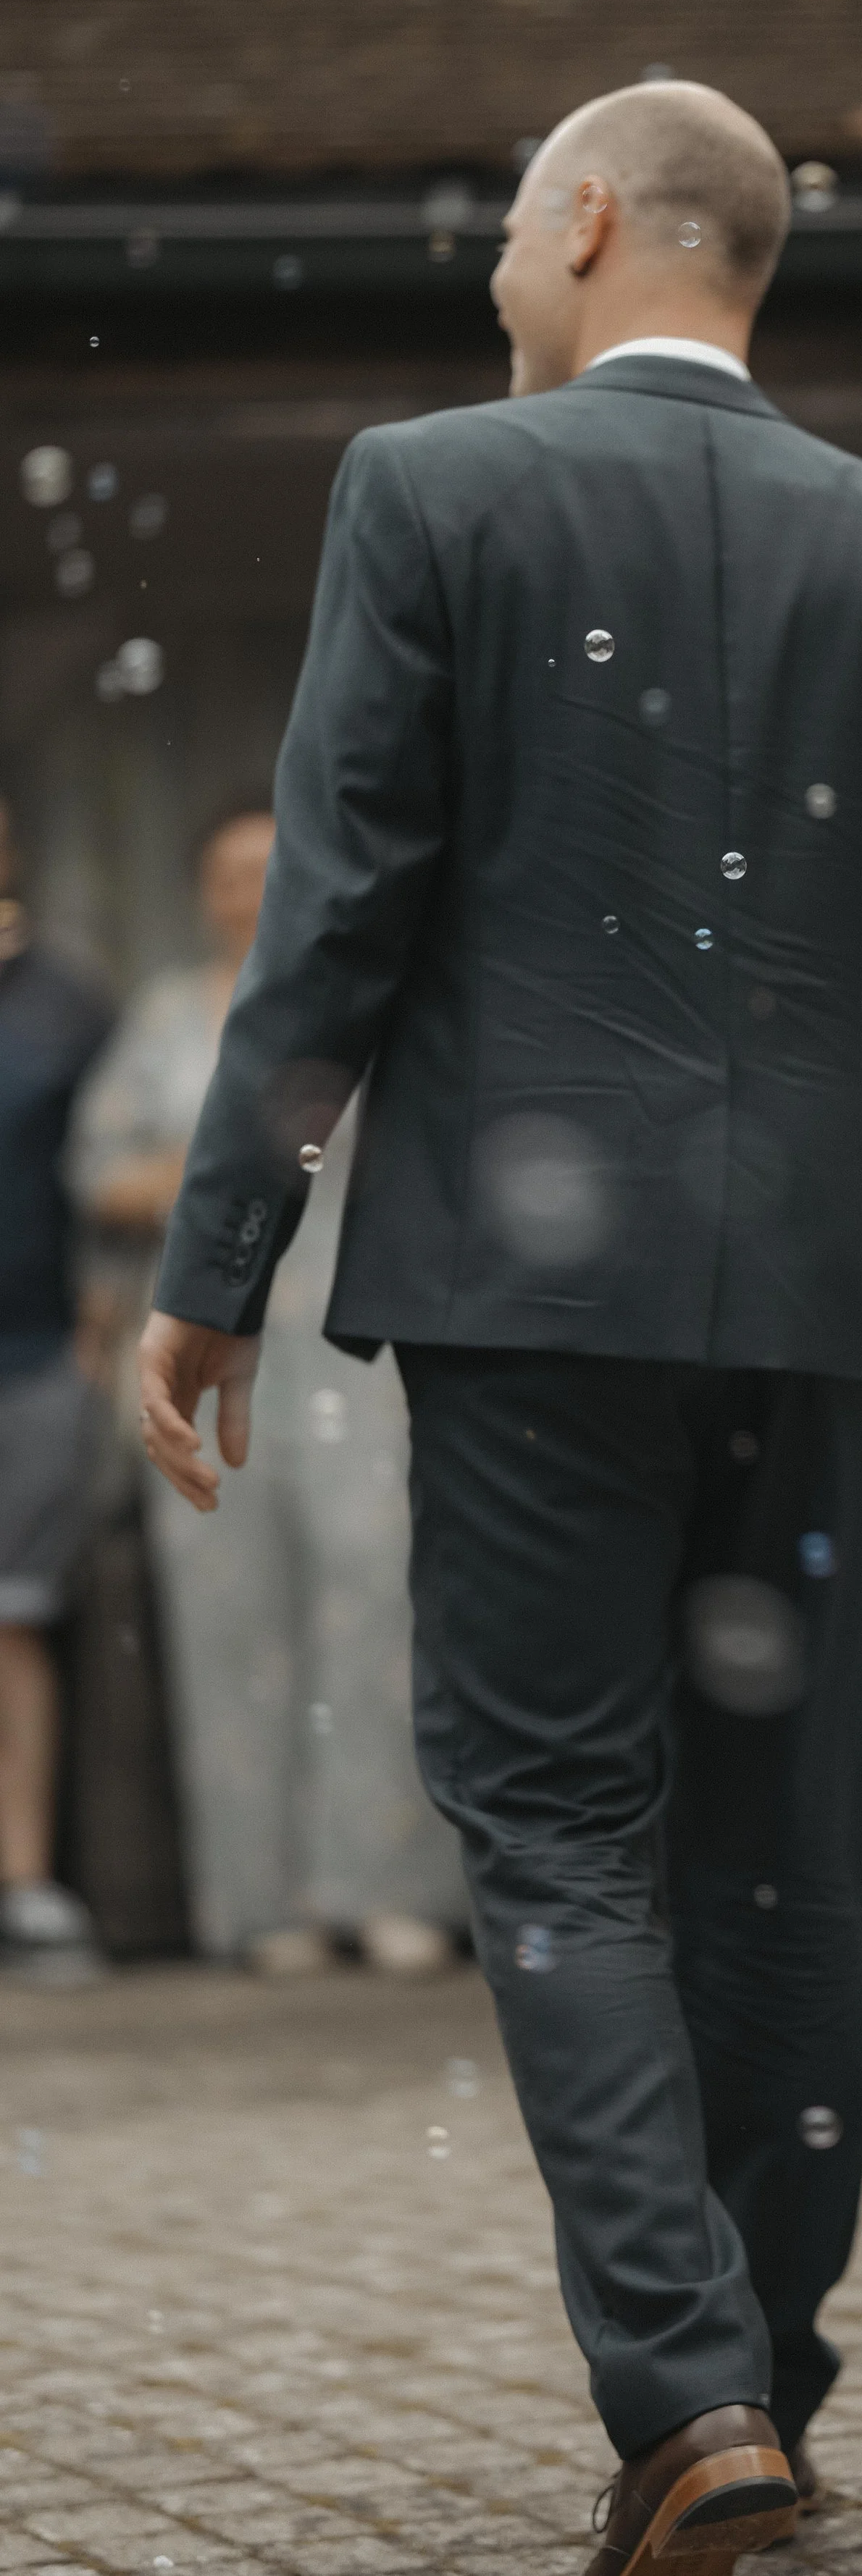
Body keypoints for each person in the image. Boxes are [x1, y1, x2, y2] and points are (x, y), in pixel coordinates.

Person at [138, 80, 862, 2575]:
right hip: (815, 1272)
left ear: (589, 219)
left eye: (510, 217)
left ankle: (691, 2392)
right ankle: (763, 2375)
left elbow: (342, 913)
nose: (501, 259)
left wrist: (212, 1267)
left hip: (524, 1262)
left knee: (556, 1816)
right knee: (785, 1850)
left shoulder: (434, 485)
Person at [72, 809, 464, 1975]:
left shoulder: (376, 998)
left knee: (375, 1602)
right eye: (229, 872)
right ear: (203, 893)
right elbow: (98, 1173)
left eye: (268, 868)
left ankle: (388, 1885)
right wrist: (228, 1159)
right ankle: (260, 1902)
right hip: (210, 1344)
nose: (251, 891)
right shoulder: (162, 1019)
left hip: (352, 1346)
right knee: (228, 1614)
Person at [0, 799, 111, 1984]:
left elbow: (108, 1167)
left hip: (30, 1356)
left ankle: (24, 1882)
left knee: (13, 1617)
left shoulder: (70, 1006)